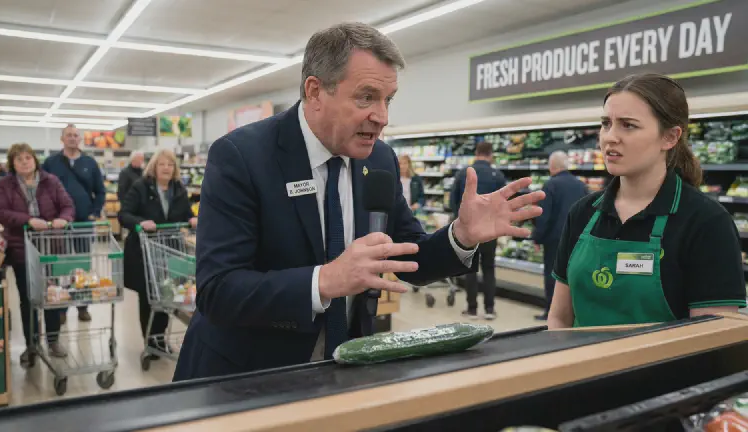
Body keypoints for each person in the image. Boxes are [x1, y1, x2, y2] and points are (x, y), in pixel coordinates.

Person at [173, 22, 544, 381]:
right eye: (366, 97)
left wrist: (461, 236)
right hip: (246, 377)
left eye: (388, 100)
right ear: (315, 92)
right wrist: (325, 280)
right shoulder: (242, 156)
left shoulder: (380, 159)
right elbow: (217, 290)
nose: (382, 117)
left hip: (344, 371)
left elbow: (408, 255)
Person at [548, 73, 747, 329]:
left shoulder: (706, 222)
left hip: (665, 370)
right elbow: (559, 317)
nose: (610, 137)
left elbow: (711, 340)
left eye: (628, 125)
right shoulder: (583, 213)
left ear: (670, 137)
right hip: (581, 366)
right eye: (606, 123)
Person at [0, 143, 75, 364]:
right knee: (27, 299)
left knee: (52, 295)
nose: (24, 162)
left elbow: (67, 205)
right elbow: (0, 211)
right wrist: (28, 221)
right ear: (13, 164)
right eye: (19, 159)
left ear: (34, 160)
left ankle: (53, 340)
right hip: (22, 248)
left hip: (51, 247)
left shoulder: (51, 181)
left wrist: (63, 219)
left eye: (28, 158)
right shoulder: (4, 185)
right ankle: (31, 344)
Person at [119, 149, 197, 358]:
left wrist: (192, 220)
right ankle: (150, 341)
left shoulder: (179, 188)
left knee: (168, 294)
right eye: (162, 164)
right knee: (149, 297)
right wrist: (140, 222)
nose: (166, 168)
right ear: (154, 167)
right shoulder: (140, 187)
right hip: (145, 250)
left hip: (170, 249)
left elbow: (187, 213)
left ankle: (160, 339)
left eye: (170, 165)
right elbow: (124, 214)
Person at [42, 124, 106, 323]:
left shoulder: (89, 162)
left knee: (82, 265)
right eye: (68, 135)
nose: (72, 138)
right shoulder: (51, 162)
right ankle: (61, 306)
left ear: (80, 139)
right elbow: (41, 190)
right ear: (62, 138)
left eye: (75, 135)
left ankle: (82, 306)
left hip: (83, 224)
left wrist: (95, 212)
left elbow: (101, 191)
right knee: (60, 265)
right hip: (58, 224)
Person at [450, 142, 507, 320]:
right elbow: (505, 203)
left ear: (476, 153)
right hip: (490, 230)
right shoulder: (497, 175)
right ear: (491, 155)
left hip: (469, 230)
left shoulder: (463, 174)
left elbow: (453, 202)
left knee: (470, 269)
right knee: (489, 268)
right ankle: (489, 309)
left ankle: (472, 309)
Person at [531, 151, 588, 320]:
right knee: (574, 274)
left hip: (555, 239)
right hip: (578, 238)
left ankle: (552, 312)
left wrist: (537, 237)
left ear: (552, 166)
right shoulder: (580, 185)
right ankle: (574, 312)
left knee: (553, 275)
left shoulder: (550, 185)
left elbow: (544, 215)